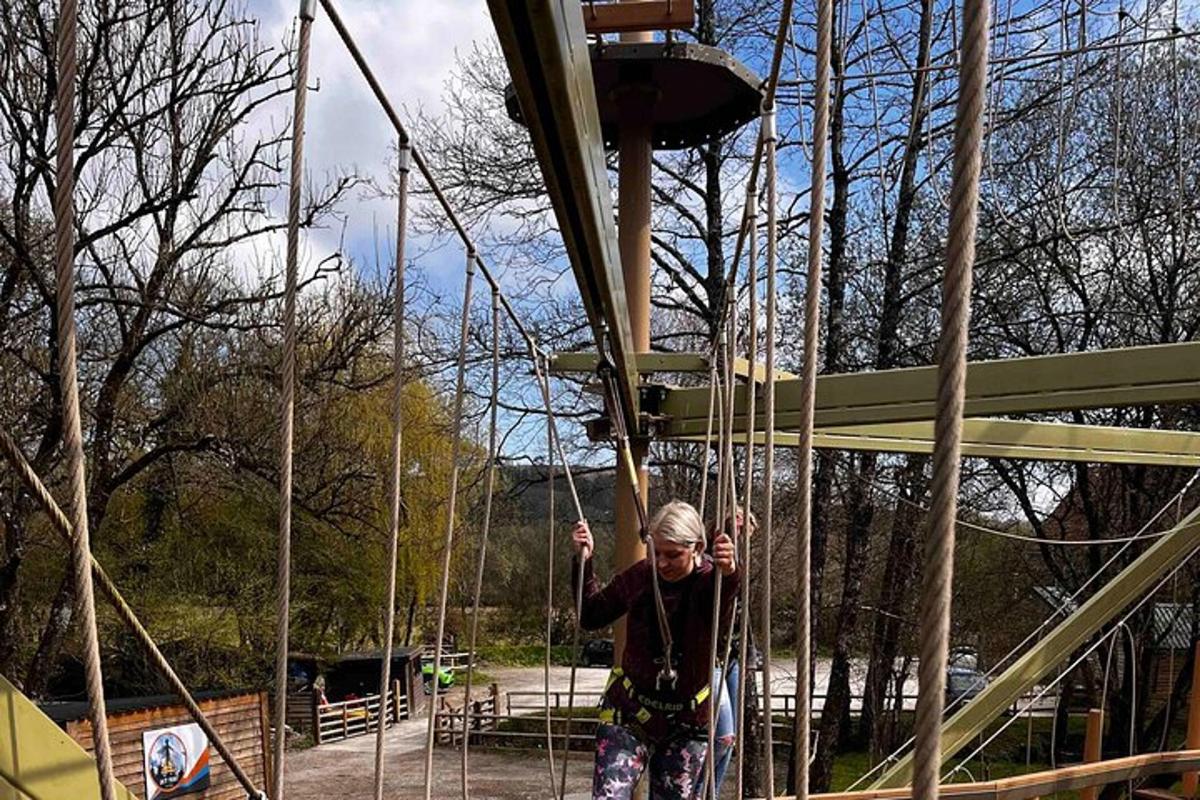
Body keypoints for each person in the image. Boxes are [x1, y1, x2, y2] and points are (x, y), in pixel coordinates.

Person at [572, 500, 739, 800]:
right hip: (630, 714)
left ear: (698, 547)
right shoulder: (641, 576)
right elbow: (591, 615)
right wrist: (585, 561)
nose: (661, 563)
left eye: (672, 555)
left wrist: (729, 575)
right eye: (656, 552)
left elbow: (721, 607)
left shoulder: (708, 583)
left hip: (686, 724)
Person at [702, 510, 758, 797]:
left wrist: (750, 655)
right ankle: (698, 793)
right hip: (710, 657)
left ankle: (709, 792)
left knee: (730, 739)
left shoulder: (740, 564)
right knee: (722, 737)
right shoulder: (709, 562)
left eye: (747, 523)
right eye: (738, 518)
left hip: (732, 657)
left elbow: (741, 617)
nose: (744, 524)